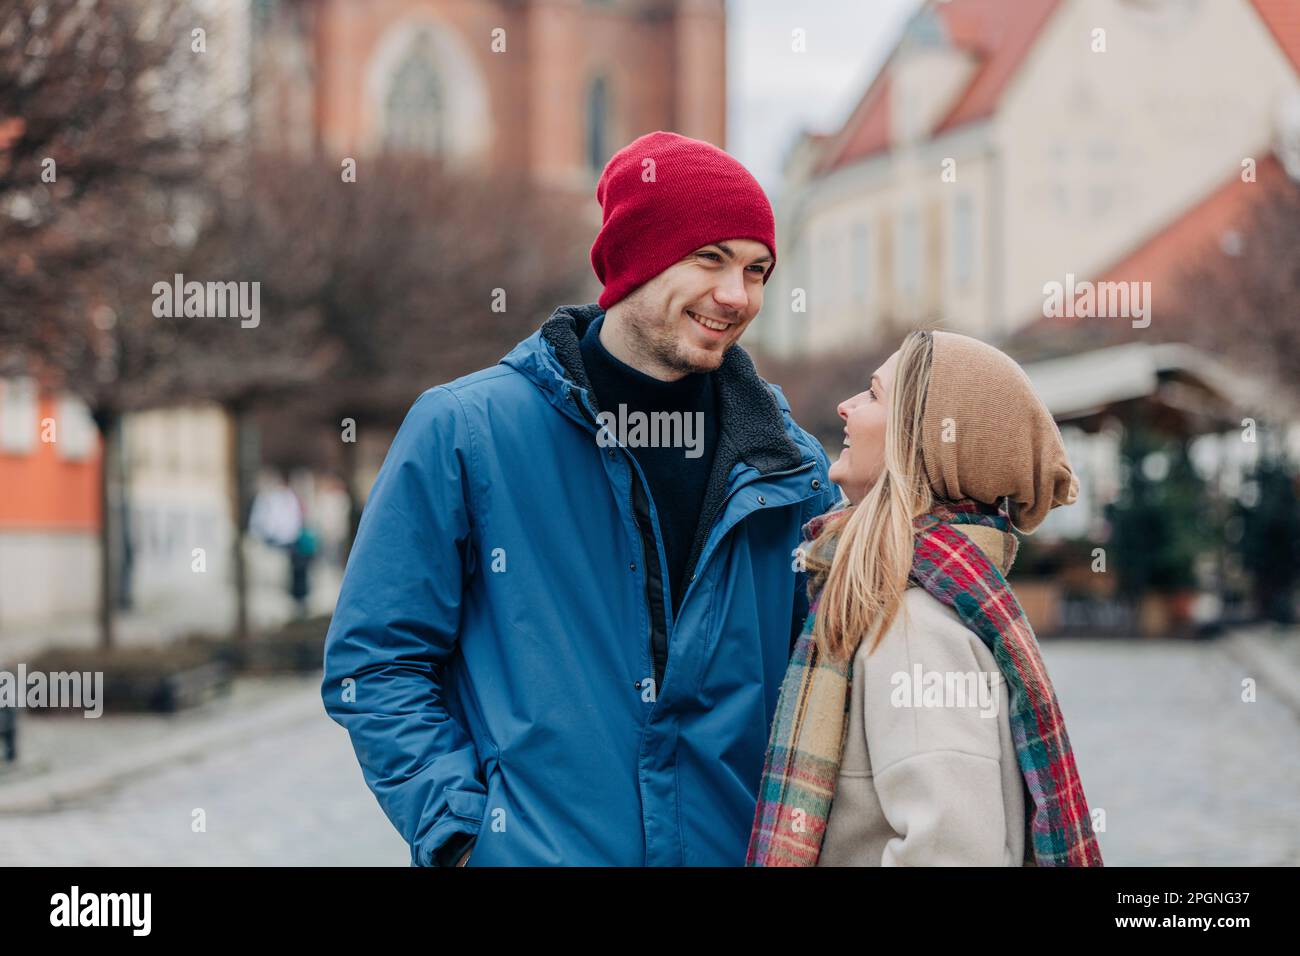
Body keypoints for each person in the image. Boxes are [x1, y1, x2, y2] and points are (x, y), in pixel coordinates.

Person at [321, 131, 839, 866]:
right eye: (709, 260)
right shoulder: (466, 433)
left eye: (757, 269)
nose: (737, 295)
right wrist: (464, 838)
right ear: (635, 260)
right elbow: (376, 662)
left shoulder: (792, 469)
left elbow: (819, 687)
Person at [747, 330, 1104, 866]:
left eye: (872, 395)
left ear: (920, 443)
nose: (846, 407)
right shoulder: (910, 601)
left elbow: (948, 853)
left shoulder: (914, 628)